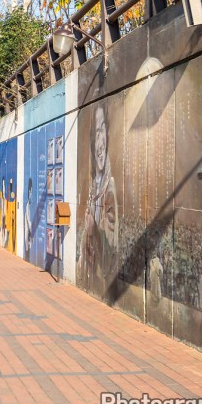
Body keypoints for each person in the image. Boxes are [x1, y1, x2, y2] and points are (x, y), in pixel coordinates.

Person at [80, 103, 117, 294]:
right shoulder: (94, 185)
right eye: (96, 132)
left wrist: (94, 229)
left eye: (103, 129)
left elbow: (112, 246)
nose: (100, 141)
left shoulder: (108, 188)